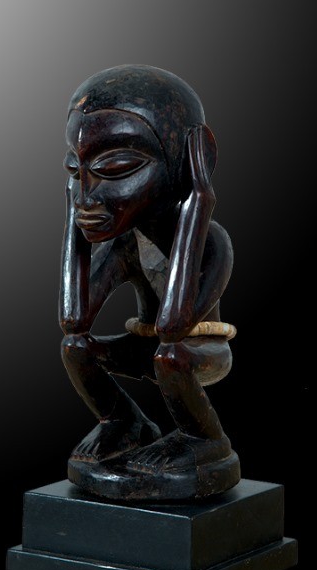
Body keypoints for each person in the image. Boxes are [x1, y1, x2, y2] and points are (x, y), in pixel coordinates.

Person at [59, 65, 239, 499]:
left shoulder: (212, 244)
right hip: (149, 346)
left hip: (199, 351)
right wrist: (72, 218)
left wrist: (199, 201)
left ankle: (206, 441)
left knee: (170, 357)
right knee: (76, 347)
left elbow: (173, 326)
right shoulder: (126, 244)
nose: (88, 196)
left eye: (116, 167)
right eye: (76, 169)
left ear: (192, 160)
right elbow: (74, 318)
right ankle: (123, 421)